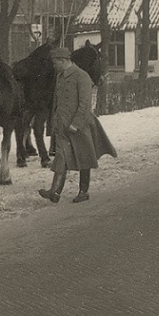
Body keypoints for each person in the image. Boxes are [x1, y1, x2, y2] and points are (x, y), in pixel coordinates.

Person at [39, 47, 117, 203]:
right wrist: (54, 122)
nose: (54, 66)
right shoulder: (60, 76)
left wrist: (76, 123)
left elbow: (85, 104)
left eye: (55, 63)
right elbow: (57, 102)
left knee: (84, 157)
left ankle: (83, 191)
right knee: (62, 156)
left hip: (79, 125)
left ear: (63, 61)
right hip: (62, 124)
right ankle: (55, 191)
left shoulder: (82, 76)